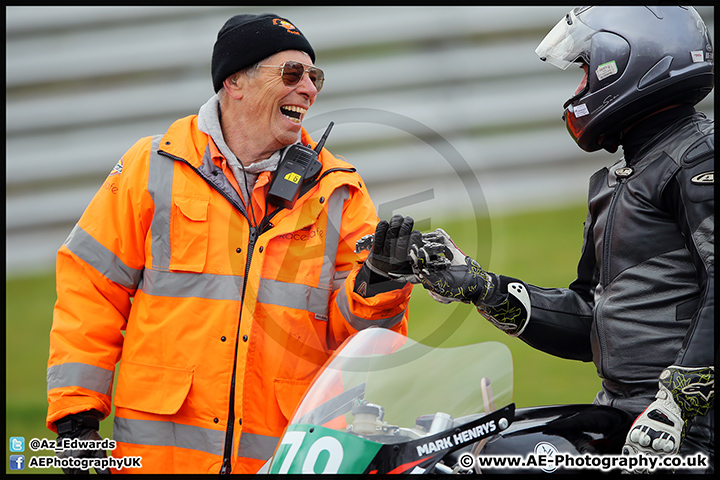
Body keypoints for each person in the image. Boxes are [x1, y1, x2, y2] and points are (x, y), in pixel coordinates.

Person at [46, 13, 419, 474]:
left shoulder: (339, 190)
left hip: (284, 461)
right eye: (291, 73)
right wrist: (74, 417)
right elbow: (90, 289)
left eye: (314, 76)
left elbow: (365, 349)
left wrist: (378, 286)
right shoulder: (152, 165)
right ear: (235, 82)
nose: (309, 88)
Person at [409, 6, 714, 474]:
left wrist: (676, 402)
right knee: (458, 456)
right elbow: (590, 322)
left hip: (687, 434)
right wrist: (480, 287)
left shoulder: (698, 157)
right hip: (631, 420)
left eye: (586, 71)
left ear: (628, 60)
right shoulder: (621, 181)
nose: (578, 89)